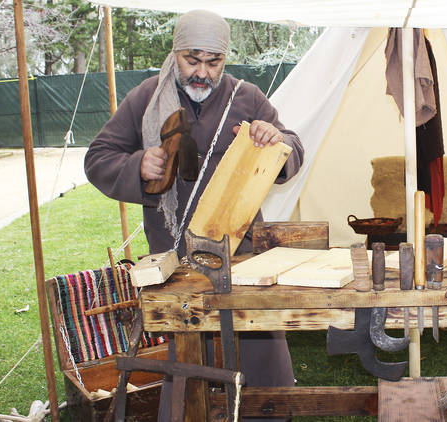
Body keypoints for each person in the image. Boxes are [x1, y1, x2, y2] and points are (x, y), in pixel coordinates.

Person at [84, 9, 303, 417]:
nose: (202, 72)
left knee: (259, 344)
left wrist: (277, 139)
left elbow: (294, 149)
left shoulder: (246, 97)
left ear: (225, 59)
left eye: (213, 61)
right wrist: (138, 166)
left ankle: (268, 410)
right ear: (175, 53)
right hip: (176, 253)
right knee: (185, 354)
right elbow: (98, 158)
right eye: (192, 59)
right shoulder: (146, 99)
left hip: (241, 250)